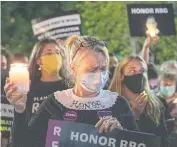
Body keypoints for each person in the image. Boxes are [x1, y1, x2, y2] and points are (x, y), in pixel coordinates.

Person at [5, 35, 138, 147]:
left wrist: (122, 135)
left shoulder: (118, 103)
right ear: (74, 69)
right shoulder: (55, 103)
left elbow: (140, 142)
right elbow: (23, 144)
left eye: (103, 68)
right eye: (92, 70)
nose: (99, 76)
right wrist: (20, 111)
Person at [4, 38, 68, 147]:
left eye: (58, 52)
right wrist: (19, 110)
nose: (55, 56)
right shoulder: (27, 88)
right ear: (38, 60)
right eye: (49, 53)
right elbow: (19, 139)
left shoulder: (71, 88)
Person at [109, 55, 169, 147]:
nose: (138, 75)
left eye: (142, 71)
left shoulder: (155, 105)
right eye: (132, 70)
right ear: (121, 75)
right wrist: (133, 115)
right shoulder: (110, 104)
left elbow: (164, 141)